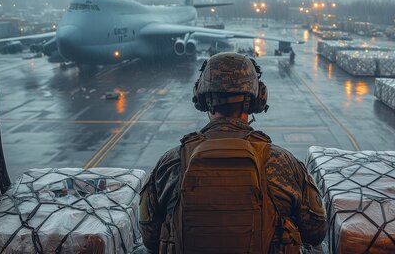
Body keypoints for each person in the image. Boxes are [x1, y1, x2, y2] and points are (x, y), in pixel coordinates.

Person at [139, 52, 327, 253]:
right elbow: (316, 231)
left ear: (202, 100)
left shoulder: (171, 163)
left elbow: (150, 237)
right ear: (257, 100)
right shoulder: (283, 162)